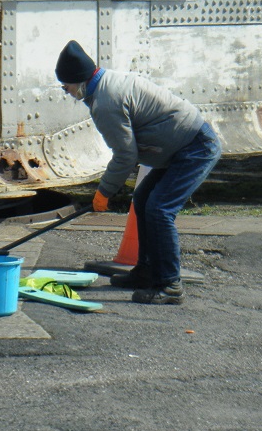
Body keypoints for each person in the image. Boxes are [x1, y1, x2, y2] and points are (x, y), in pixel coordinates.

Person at [55, 40, 222, 304]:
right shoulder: (106, 84)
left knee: (159, 209)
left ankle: (169, 285)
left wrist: (104, 192)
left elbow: (125, 155)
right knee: (143, 201)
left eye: (66, 85)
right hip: (181, 146)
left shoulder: (106, 101)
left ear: (79, 80)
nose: (65, 90)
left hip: (194, 148)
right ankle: (146, 271)